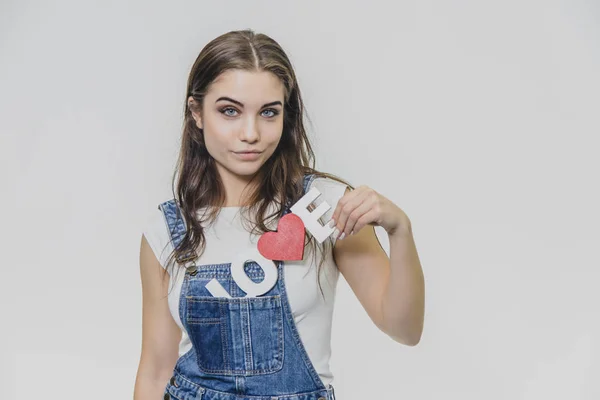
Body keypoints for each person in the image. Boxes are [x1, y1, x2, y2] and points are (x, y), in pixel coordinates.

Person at [134, 29, 425, 400]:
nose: (251, 133)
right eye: (229, 111)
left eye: (268, 112)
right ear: (197, 113)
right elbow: (155, 371)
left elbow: (405, 329)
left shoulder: (325, 207)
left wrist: (401, 231)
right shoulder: (169, 230)